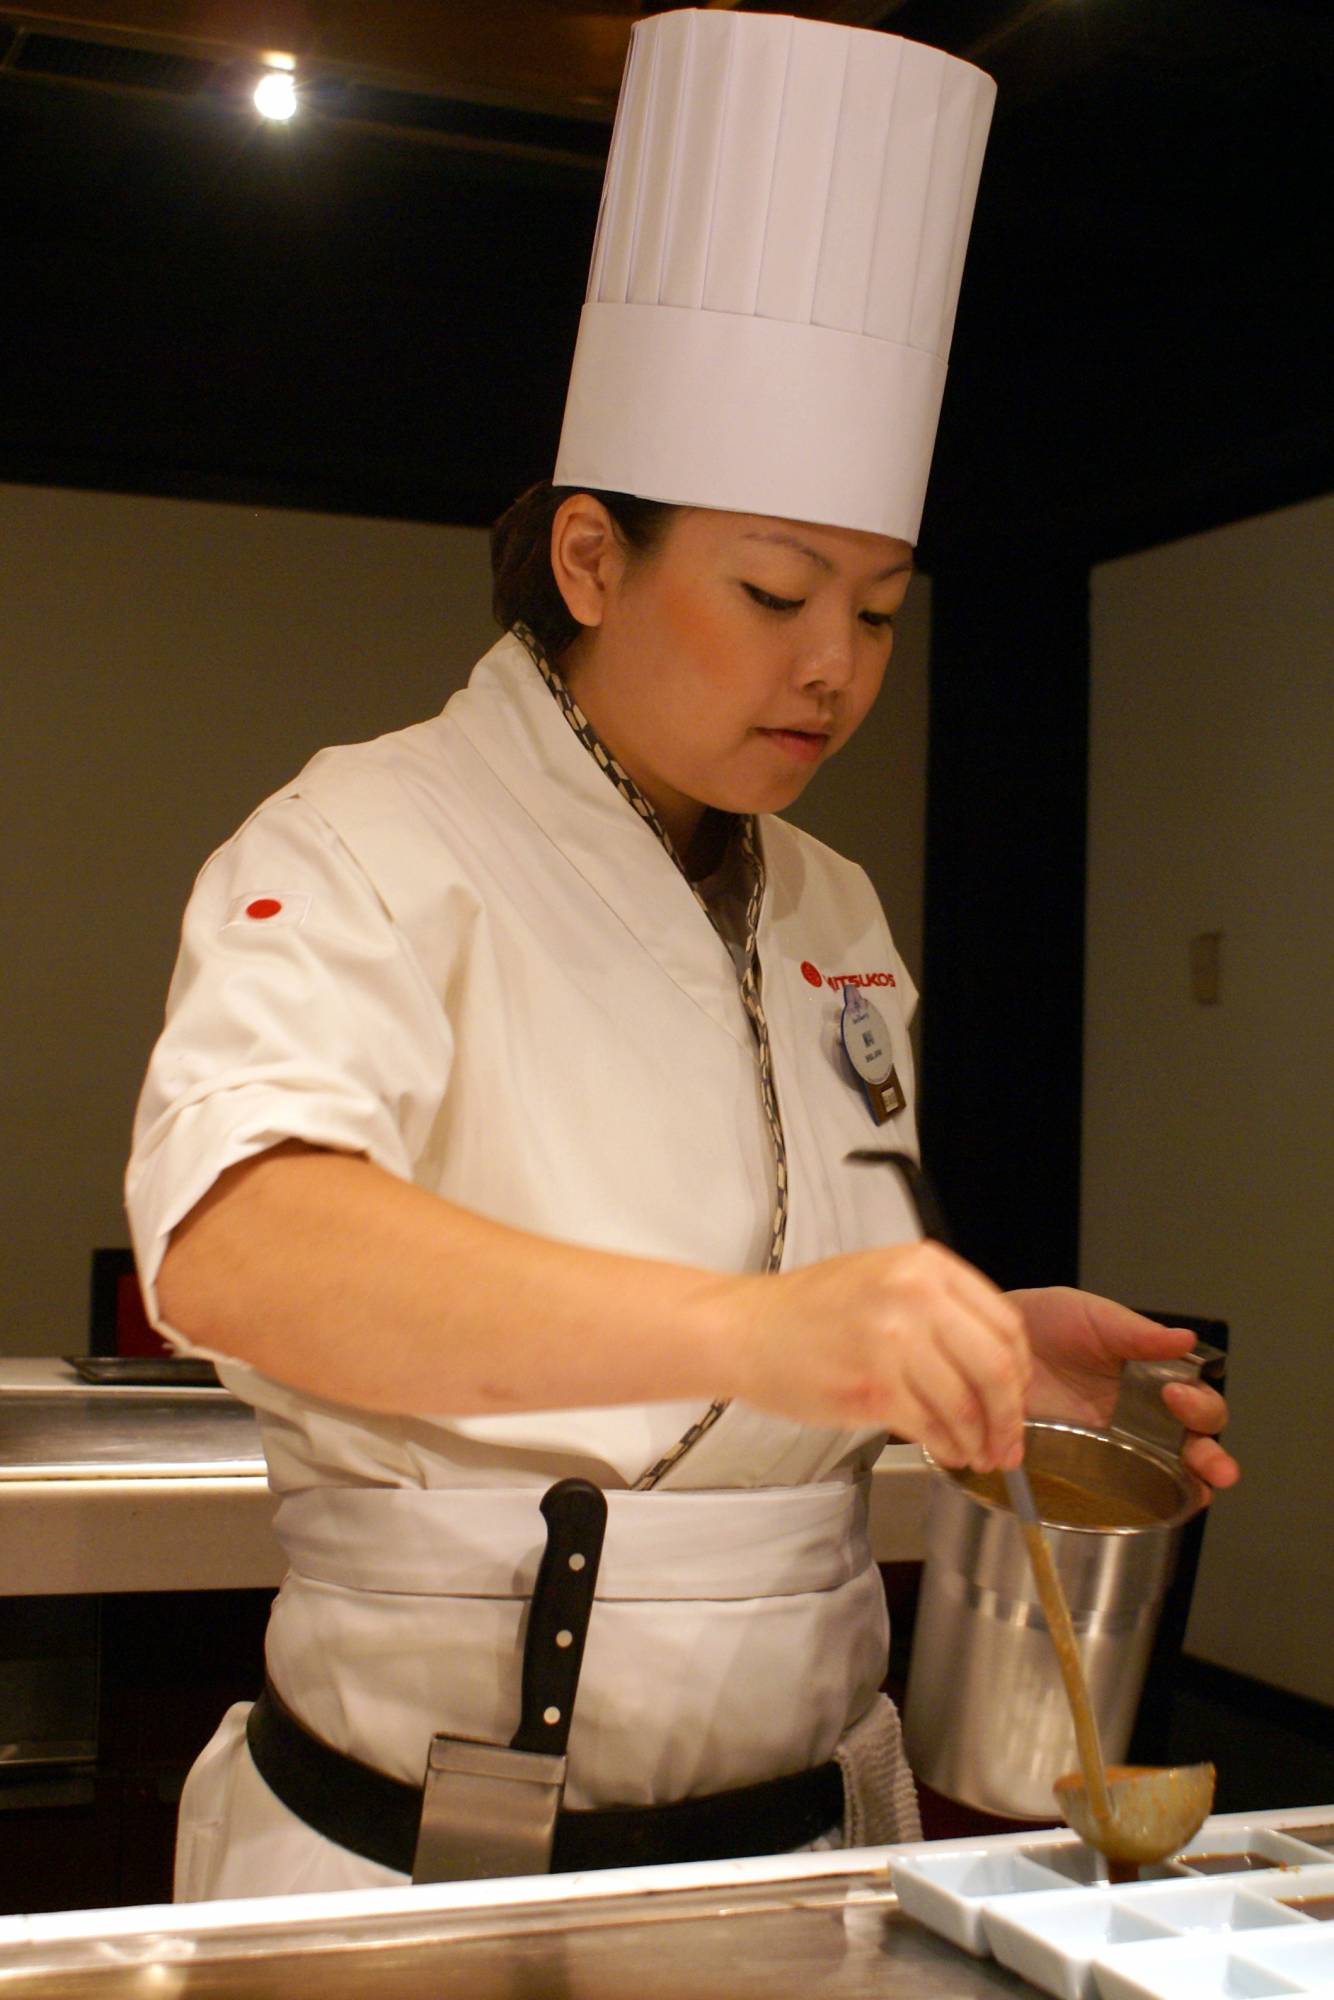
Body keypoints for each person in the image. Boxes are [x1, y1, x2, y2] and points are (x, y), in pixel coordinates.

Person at [126, 10, 1236, 1904]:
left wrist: (961, 1360)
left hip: (810, 1840)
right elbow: (240, 1245)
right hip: (433, 1868)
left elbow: (828, 1270)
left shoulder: (831, 909)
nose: (835, 669)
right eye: (774, 593)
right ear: (584, 561)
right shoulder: (367, 839)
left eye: (879, 612)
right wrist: (757, 1335)